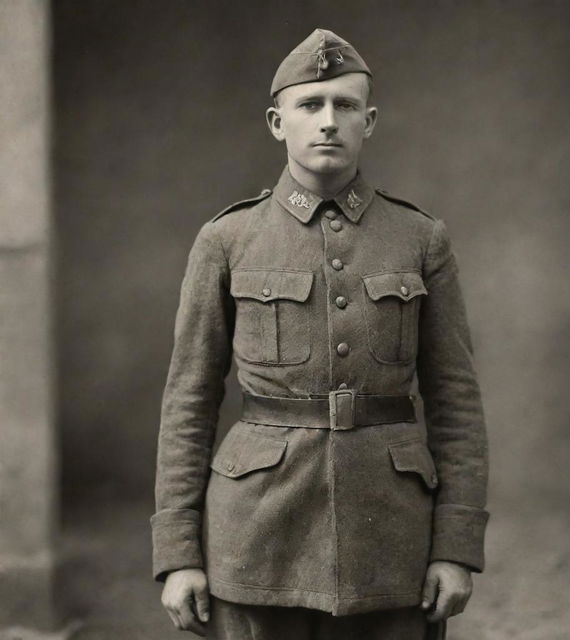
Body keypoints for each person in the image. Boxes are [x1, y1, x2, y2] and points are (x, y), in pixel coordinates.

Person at [151, 28, 489, 640]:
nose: (328, 121)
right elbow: (189, 401)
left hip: (391, 538)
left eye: (346, 105)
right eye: (311, 105)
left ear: (371, 121)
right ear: (278, 122)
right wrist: (177, 553)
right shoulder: (227, 240)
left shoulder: (419, 238)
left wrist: (455, 547)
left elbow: (456, 401)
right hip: (255, 535)